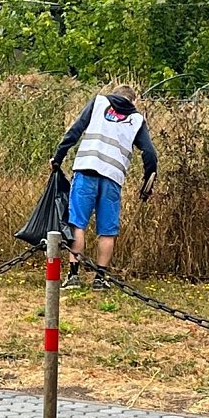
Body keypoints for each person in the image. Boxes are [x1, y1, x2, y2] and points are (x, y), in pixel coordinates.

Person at [49, 85, 158, 291]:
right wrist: (147, 182)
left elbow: (74, 132)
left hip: (86, 171)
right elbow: (150, 153)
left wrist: (58, 158)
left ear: (114, 94)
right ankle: (100, 278)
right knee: (107, 230)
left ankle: (73, 276)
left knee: (77, 223)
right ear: (133, 101)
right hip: (112, 178)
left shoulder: (98, 103)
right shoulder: (136, 119)